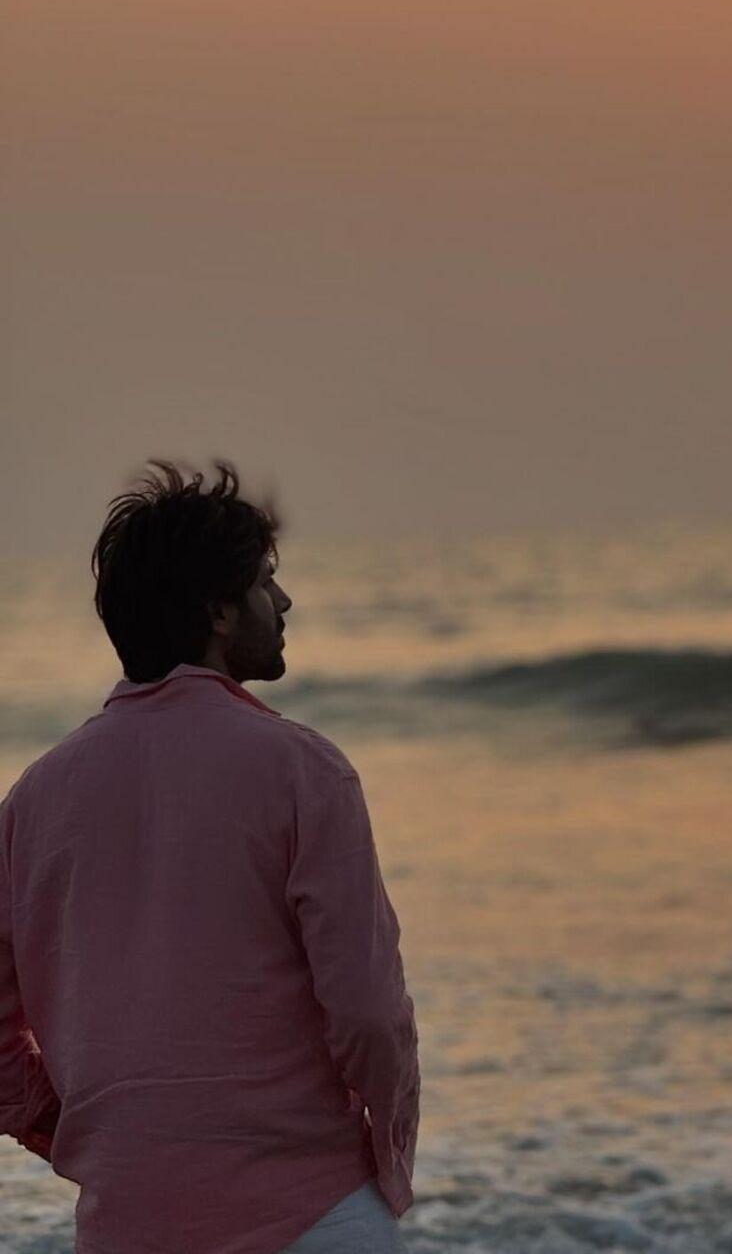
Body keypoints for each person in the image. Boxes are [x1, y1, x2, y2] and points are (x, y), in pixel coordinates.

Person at [0, 458, 419, 1254]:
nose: (284, 600)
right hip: (310, 1212)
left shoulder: (32, 802)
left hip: (127, 1225)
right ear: (218, 612)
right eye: (266, 580)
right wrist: (389, 1153)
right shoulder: (304, 770)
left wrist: (63, 1126)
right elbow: (367, 1008)